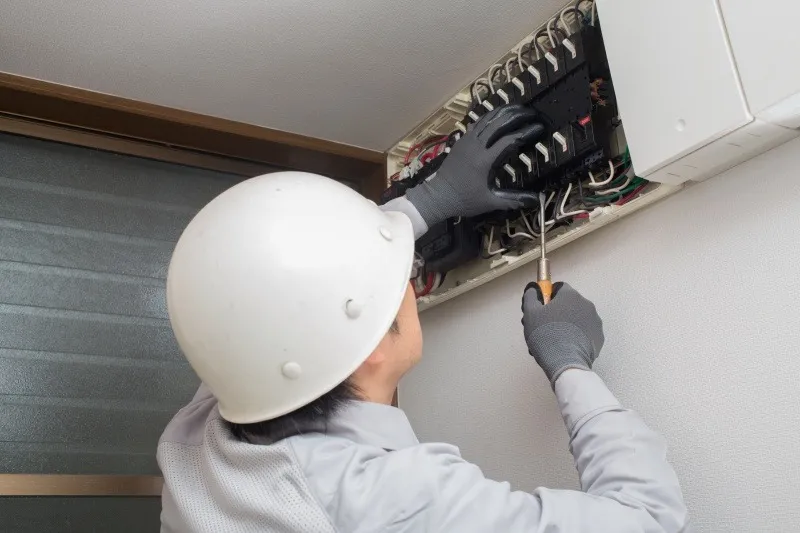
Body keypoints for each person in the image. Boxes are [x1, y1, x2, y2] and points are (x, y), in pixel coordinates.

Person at [158, 105, 689, 532]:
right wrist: (571, 365)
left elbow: (262, 296)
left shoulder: (199, 435)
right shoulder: (393, 503)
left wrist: (432, 200)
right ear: (370, 344)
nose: (413, 276)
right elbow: (650, 518)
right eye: (402, 279)